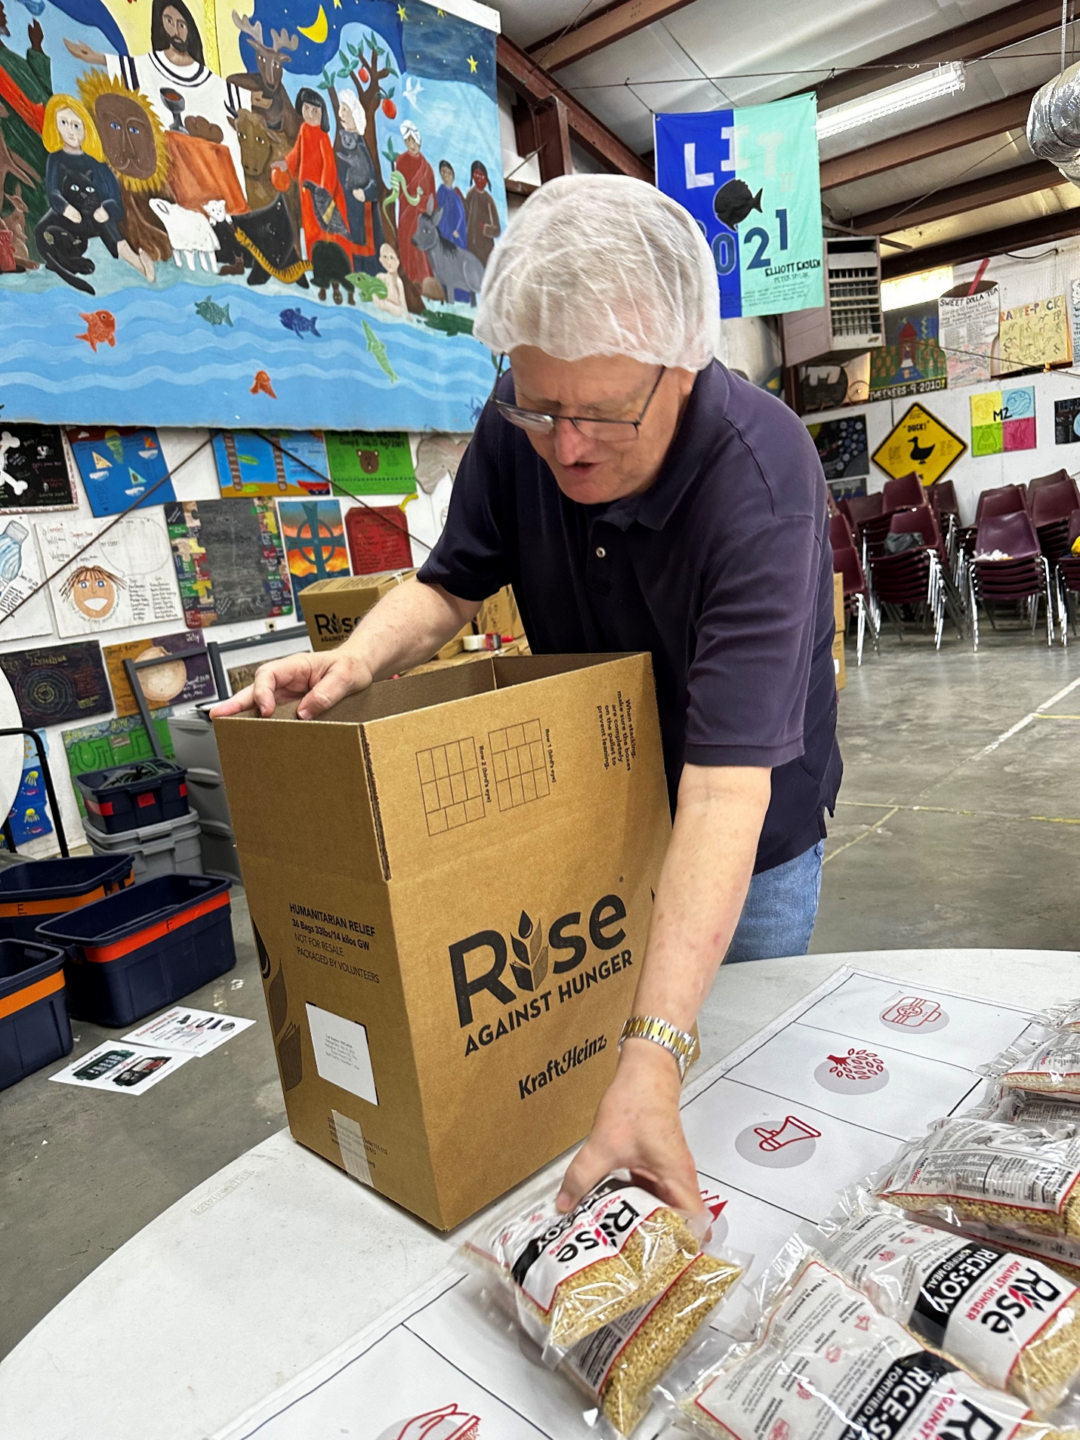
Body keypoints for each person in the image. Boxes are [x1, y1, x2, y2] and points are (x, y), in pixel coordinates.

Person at [212, 175, 841, 1224]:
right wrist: (352, 666)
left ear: (683, 364)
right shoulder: (528, 425)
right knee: (608, 1075)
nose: (568, 447)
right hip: (609, 807)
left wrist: (656, 1054)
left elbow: (728, 792)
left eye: (600, 416)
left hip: (751, 832)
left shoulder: (761, 483)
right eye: (541, 408)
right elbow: (450, 581)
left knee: (730, 1101)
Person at [64, 0, 246, 183]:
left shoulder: (209, 79)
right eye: (168, 21)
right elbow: (132, 67)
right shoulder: (151, 64)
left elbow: (229, 94)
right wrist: (96, 57)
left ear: (190, 28)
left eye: (181, 24)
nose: (175, 30)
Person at [40, 94, 150, 279]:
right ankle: (66, 262)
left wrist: (106, 210)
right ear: (55, 125)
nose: (70, 131)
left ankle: (139, 265)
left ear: (86, 129)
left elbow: (115, 202)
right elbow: (53, 191)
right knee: (44, 230)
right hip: (67, 218)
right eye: (64, 123)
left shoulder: (97, 165)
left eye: (76, 125)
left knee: (104, 221)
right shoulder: (55, 159)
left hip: (92, 217)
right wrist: (64, 207)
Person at [277, 88, 350, 262]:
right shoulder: (304, 129)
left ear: (322, 114)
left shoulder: (323, 137)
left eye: (315, 111)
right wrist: (285, 163)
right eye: (306, 109)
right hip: (306, 191)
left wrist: (323, 193)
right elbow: (297, 152)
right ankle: (314, 260)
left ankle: (331, 263)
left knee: (325, 229)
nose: (309, 114)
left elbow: (329, 167)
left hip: (322, 195)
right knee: (310, 226)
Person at [334, 87, 381, 275]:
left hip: (362, 215)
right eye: (340, 109)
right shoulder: (343, 143)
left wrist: (364, 194)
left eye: (346, 109)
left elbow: (374, 185)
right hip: (346, 210)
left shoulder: (360, 146)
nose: (341, 114)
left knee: (363, 254)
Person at [394, 118, 434, 284]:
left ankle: (422, 279)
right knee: (405, 241)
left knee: (419, 247)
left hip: (420, 215)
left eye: (414, 140)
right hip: (406, 211)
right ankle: (408, 277)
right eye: (408, 141)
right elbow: (400, 187)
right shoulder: (401, 161)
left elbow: (431, 195)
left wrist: (424, 204)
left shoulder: (427, 168)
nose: (412, 144)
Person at [463, 159, 499, 267]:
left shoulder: (488, 200)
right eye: (476, 174)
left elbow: (497, 230)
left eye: (481, 175)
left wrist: (485, 228)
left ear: (486, 178)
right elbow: (465, 216)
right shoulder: (470, 195)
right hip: (471, 248)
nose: (478, 178)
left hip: (485, 250)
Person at [434, 159, 466, 248]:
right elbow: (437, 209)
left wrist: (456, 229)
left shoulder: (455, 195)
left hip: (453, 233)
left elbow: (460, 215)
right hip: (442, 230)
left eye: (449, 173)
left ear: (452, 175)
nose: (446, 176)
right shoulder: (440, 192)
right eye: (443, 173)